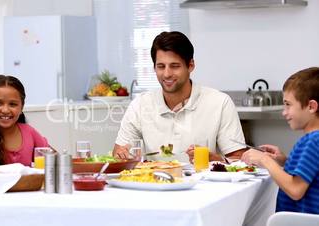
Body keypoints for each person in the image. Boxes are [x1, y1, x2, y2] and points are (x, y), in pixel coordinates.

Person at [113, 31, 246, 163]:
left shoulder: (220, 103)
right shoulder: (140, 105)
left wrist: (216, 160)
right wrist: (122, 155)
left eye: (174, 66)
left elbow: (240, 161)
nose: (166, 74)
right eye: (161, 66)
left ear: (191, 65)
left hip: (203, 183)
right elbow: (119, 153)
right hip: (155, 182)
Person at [242, 67, 319, 214]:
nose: (284, 112)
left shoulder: (312, 141)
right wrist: (284, 161)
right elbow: (311, 173)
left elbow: (296, 190)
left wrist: (265, 160)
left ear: (311, 106)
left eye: (288, 104)